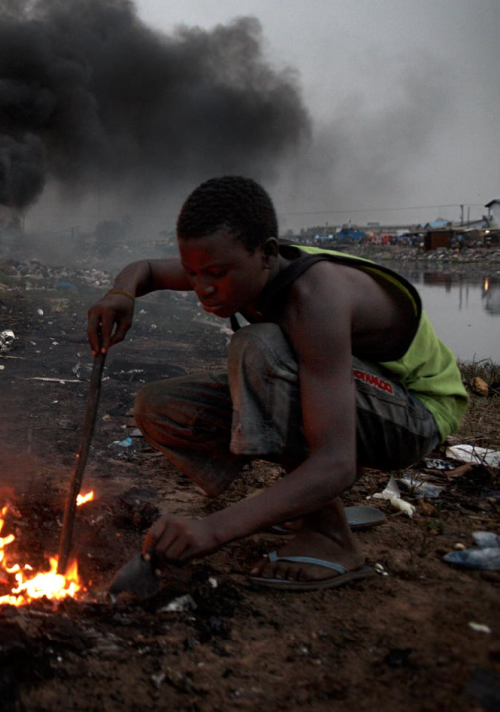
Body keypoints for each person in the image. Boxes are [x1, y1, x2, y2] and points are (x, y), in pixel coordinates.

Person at [86, 176, 467, 590]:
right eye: (194, 274)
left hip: (415, 411)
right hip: (352, 396)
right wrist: (120, 294)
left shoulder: (316, 297)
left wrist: (212, 531)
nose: (203, 288)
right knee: (161, 406)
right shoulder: (233, 264)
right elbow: (144, 269)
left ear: (267, 253)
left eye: (215, 273)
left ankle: (330, 537)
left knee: (260, 348)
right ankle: (306, 502)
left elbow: (336, 462)